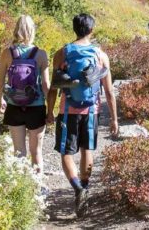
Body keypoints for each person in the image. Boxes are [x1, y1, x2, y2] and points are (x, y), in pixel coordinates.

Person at [46, 13, 118, 219]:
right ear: (91, 30)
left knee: (66, 153)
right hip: (91, 110)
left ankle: (77, 187)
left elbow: (53, 87)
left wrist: (49, 111)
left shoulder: (62, 53)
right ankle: (85, 186)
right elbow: (110, 91)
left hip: (67, 110)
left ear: (74, 29)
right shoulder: (100, 56)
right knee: (87, 149)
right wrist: (114, 119)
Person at [0, 15, 50, 172]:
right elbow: (46, 85)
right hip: (36, 107)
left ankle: (23, 190)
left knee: (19, 153)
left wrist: (0, 100)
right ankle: (38, 189)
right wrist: (50, 109)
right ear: (32, 30)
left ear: (16, 30)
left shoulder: (7, 53)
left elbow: (0, 82)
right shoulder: (41, 54)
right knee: (36, 152)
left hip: (13, 106)